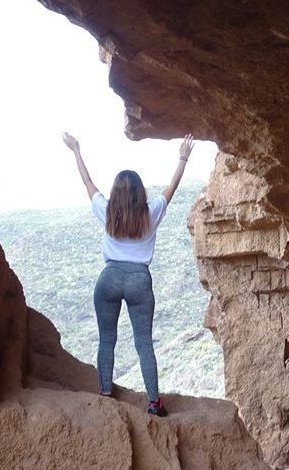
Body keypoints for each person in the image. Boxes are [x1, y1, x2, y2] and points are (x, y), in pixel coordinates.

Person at [62, 131, 195, 417]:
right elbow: (172, 186)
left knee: (107, 338)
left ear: (116, 194)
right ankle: (154, 402)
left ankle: (105, 392)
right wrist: (183, 158)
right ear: (140, 193)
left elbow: (87, 182)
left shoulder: (107, 211)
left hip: (108, 279)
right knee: (144, 342)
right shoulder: (151, 212)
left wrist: (76, 150)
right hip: (139, 280)